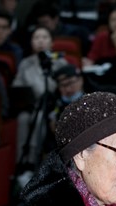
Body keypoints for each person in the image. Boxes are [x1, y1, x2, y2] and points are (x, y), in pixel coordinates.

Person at [12, 26, 69, 167]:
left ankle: (33, 161)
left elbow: (66, 86)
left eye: (44, 37)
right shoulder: (25, 64)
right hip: (32, 106)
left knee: (38, 119)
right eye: (36, 38)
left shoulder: (60, 62)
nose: (40, 41)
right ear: (31, 42)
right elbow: (17, 88)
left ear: (51, 42)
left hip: (53, 106)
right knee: (22, 118)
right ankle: (21, 163)